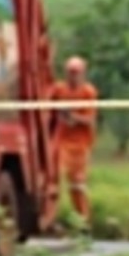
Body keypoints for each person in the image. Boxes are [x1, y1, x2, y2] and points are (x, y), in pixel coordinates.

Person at [48, 55, 98, 226]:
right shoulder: (59, 89)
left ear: (83, 73)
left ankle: (82, 220)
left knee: (77, 183)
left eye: (76, 72)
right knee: (53, 179)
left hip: (80, 145)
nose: (73, 76)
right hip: (61, 141)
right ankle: (51, 218)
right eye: (70, 72)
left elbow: (90, 119)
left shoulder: (87, 92)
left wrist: (72, 115)